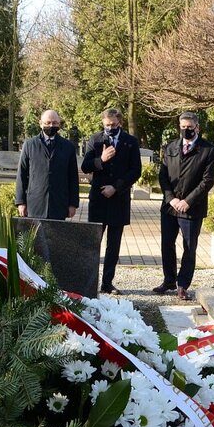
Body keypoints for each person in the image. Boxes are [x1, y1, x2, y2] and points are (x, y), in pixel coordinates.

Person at [153, 111, 214, 301]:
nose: (186, 131)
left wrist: (187, 201)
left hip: (192, 207)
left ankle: (183, 285)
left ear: (197, 127)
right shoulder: (170, 147)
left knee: (189, 247)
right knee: (167, 244)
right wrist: (171, 198)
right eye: (183, 128)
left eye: (189, 128)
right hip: (170, 206)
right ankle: (169, 280)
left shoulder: (208, 150)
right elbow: (163, 175)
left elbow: (207, 181)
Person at [81, 108, 142, 295]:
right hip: (98, 199)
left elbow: (135, 171)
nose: (110, 128)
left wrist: (115, 187)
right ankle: (89, 281)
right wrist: (101, 159)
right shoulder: (95, 139)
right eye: (107, 125)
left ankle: (107, 282)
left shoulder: (130, 142)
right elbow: (85, 166)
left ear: (120, 123)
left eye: (113, 125)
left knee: (113, 245)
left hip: (118, 199)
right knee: (93, 242)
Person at [15, 109, 79, 220]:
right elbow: (22, 174)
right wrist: (21, 202)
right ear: (40, 124)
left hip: (59, 203)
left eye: (54, 123)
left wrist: (73, 204)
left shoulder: (68, 147)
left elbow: (73, 177)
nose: (51, 125)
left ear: (59, 124)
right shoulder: (29, 145)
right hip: (35, 203)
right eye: (47, 123)